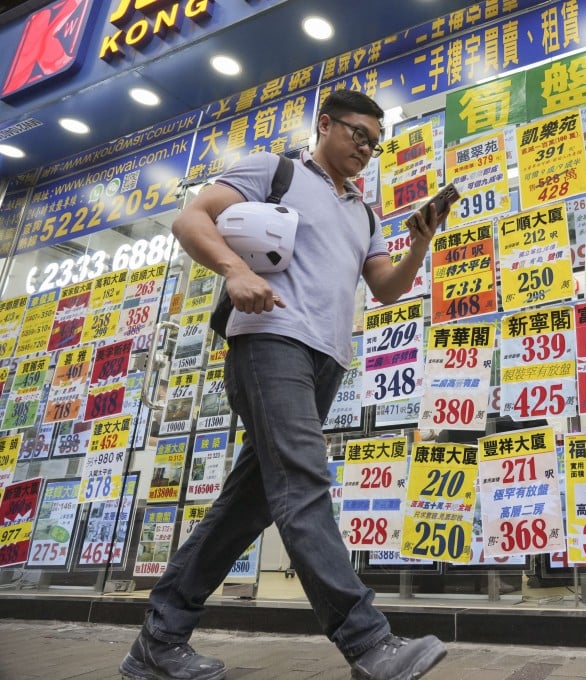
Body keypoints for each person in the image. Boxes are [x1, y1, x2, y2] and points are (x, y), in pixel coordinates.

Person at [120, 89, 449, 680]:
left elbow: (386, 288)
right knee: (302, 478)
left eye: (375, 144)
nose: (366, 150)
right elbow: (190, 218)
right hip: (271, 345)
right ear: (325, 124)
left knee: (246, 508)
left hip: (326, 362)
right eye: (358, 135)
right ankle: (368, 642)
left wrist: (419, 242)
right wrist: (236, 270)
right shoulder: (275, 171)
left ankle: (158, 640)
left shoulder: (364, 212)